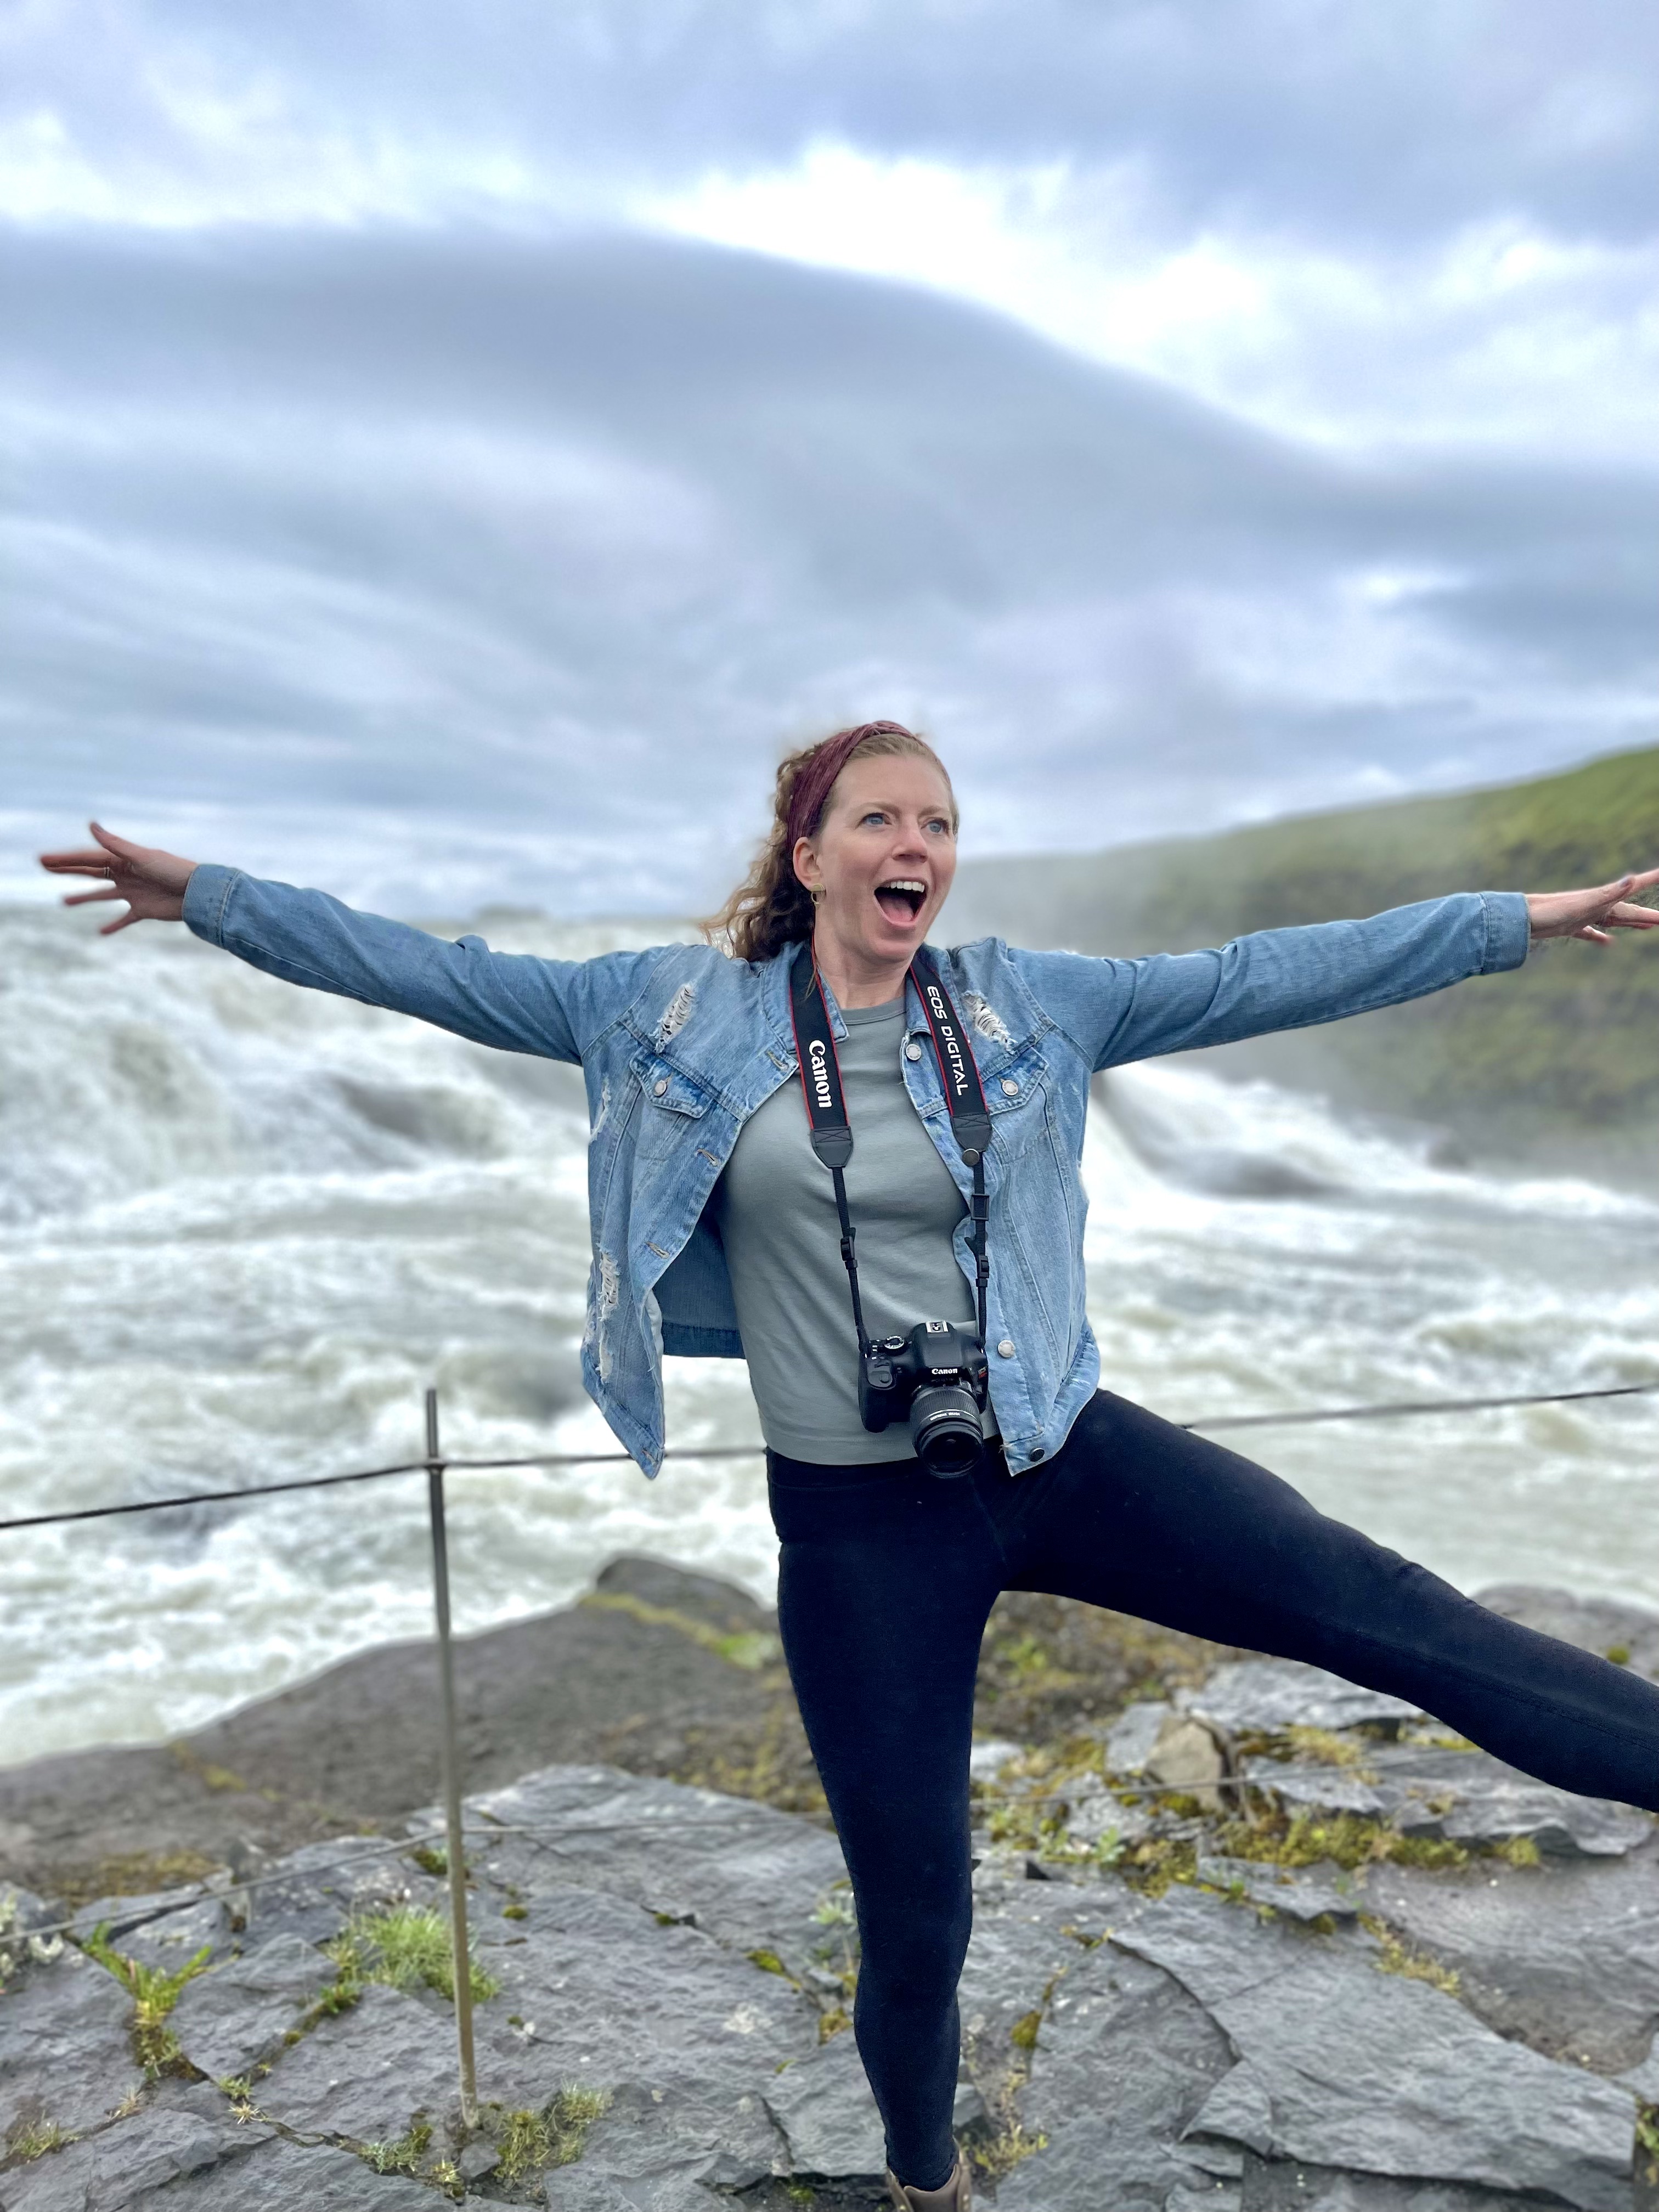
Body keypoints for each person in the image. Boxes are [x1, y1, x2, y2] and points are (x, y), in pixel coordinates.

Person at [41, 722, 1659, 2210]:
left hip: (1058, 1447)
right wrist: (213, 900)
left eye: (939, 823)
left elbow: (1270, 973)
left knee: (1396, 1612)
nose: (918, 845)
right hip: (858, 1525)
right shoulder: (666, 1015)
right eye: (882, 819)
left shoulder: (1028, 1001)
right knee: (916, 1916)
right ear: (809, 854)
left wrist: (1512, 922)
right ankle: (923, 2185)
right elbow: (430, 970)